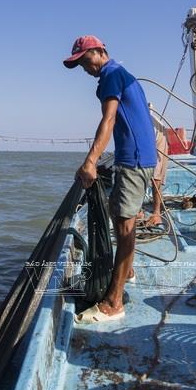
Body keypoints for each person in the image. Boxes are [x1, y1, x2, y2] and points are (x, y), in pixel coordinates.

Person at [63, 35, 157, 323]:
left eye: (85, 60)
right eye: (78, 64)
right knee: (121, 219)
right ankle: (126, 271)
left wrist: (91, 161)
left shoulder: (111, 75)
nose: (84, 67)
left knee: (126, 228)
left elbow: (110, 119)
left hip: (135, 160)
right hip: (137, 158)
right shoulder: (124, 74)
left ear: (100, 51)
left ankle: (114, 302)